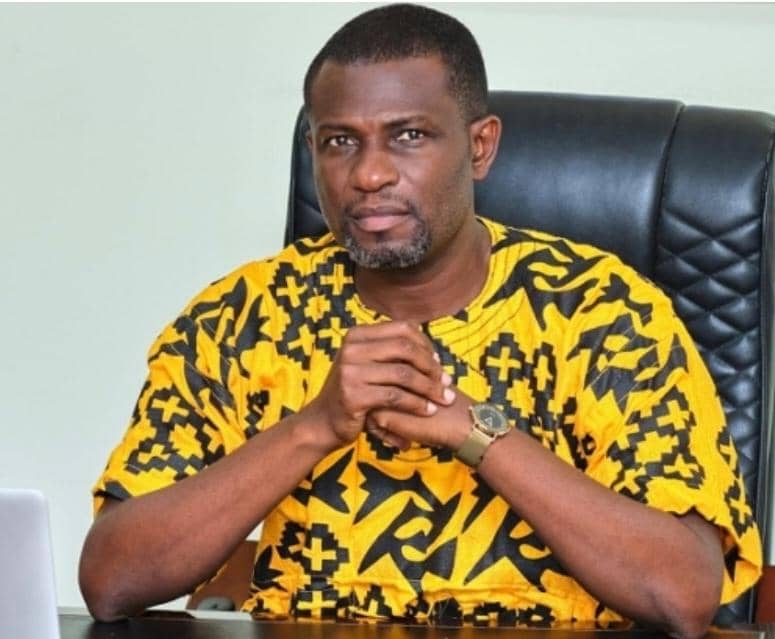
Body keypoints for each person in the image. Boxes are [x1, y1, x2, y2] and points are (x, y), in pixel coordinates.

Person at [79, 4, 761, 637]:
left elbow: (682, 594)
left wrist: (476, 431)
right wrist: (315, 426)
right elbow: (112, 582)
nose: (369, 174)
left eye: (408, 136)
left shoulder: (603, 312)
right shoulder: (244, 316)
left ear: (480, 146)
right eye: (339, 142)